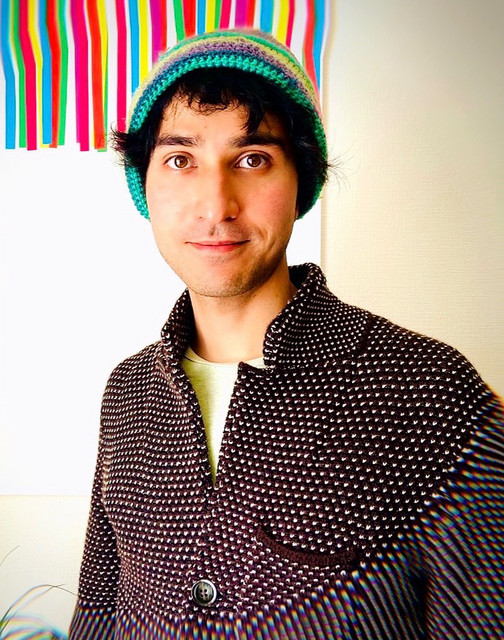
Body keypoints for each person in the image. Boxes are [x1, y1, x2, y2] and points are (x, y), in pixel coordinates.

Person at [69, 29, 503, 639]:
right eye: (180, 160)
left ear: (302, 180)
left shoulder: (430, 393)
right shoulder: (128, 393)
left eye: (252, 158)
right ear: (145, 186)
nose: (215, 205)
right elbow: (98, 612)